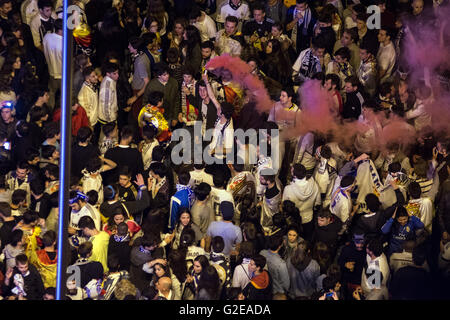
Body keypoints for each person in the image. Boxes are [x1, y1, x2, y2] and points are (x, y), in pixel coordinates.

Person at [282, 163, 321, 241]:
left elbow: (284, 205)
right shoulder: (315, 186)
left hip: (294, 220)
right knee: (306, 239)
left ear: (295, 176)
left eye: (292, 171)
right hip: (309, 218)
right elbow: (318, 203)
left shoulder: (288, 189)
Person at [42, 18, 61, 111]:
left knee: (51, 94)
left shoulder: (47, 37)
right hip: (62, 74)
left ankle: (50, 112)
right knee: (65, 95)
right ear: (61, 30)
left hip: (51, 72)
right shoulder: (64, 42)